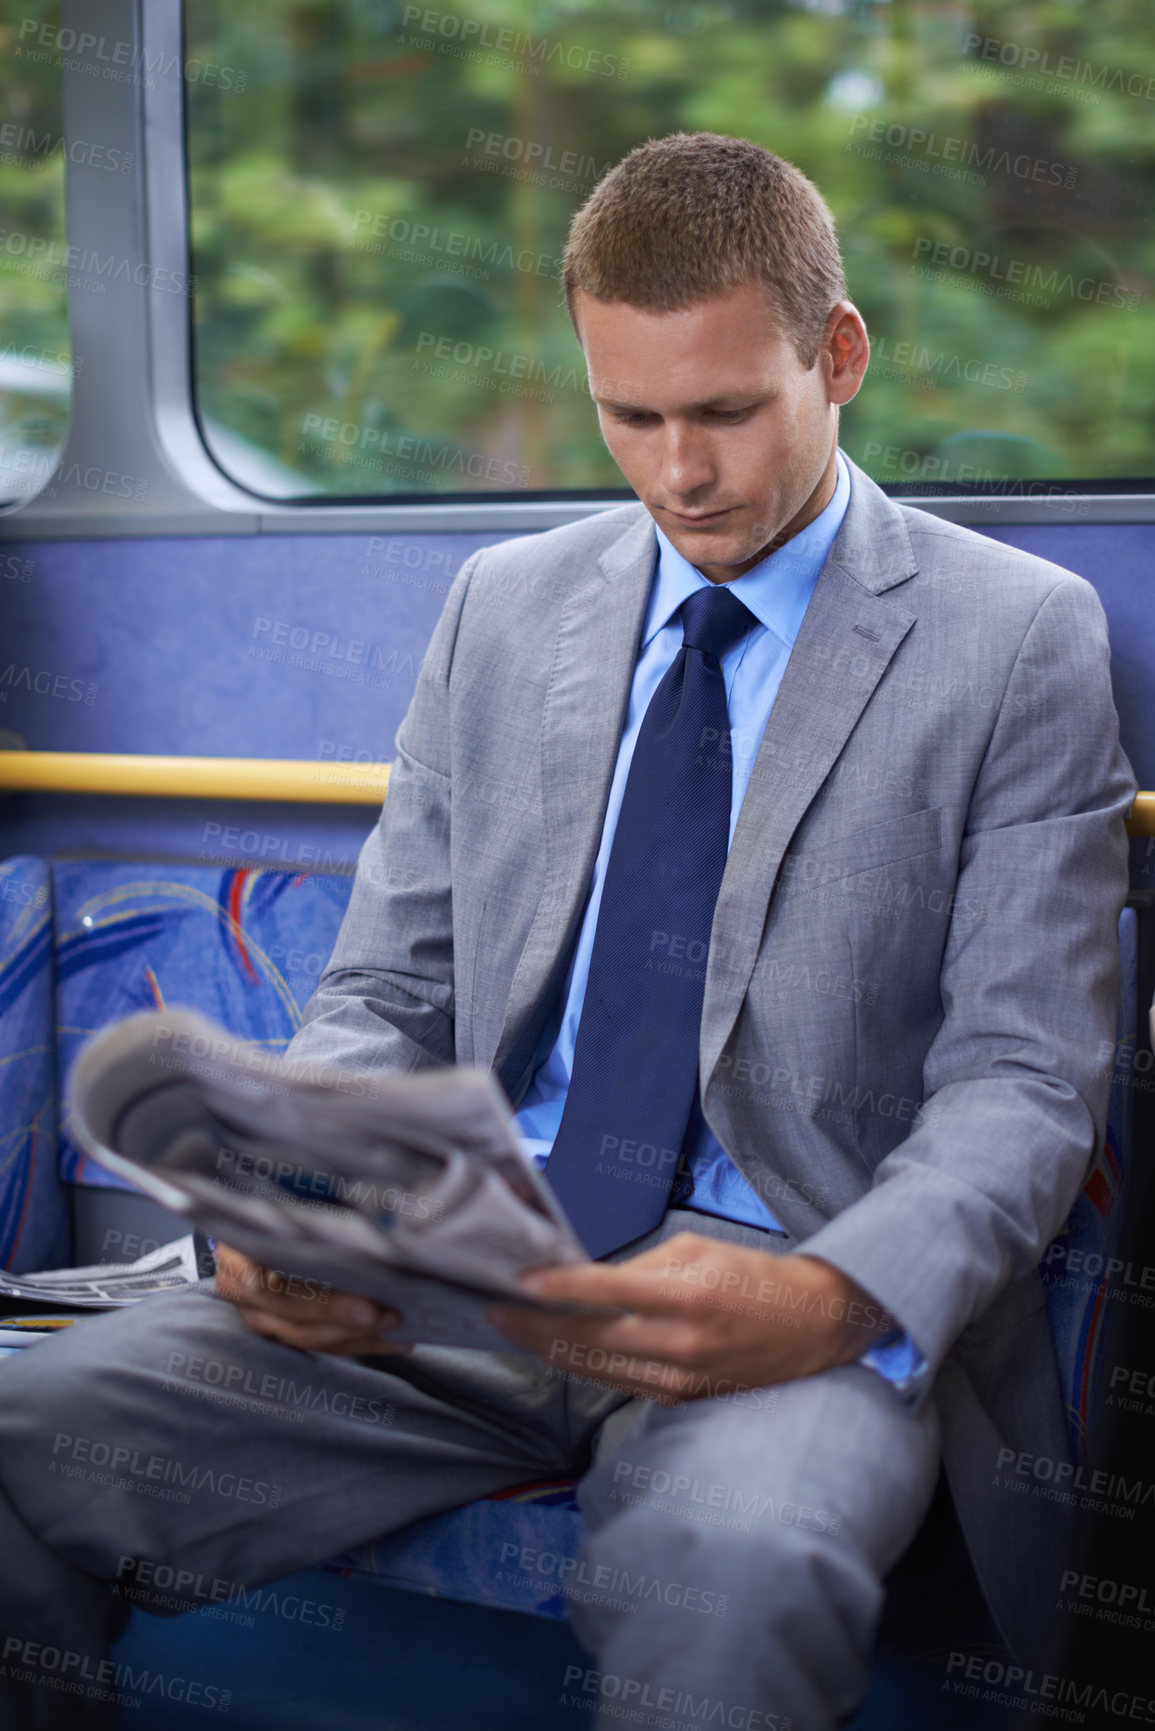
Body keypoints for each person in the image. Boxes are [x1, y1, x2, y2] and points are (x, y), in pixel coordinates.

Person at [0, 133, 1134, 1730]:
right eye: (633, 417)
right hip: (453, 1279)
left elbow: (1023, 1080)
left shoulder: (1012, 639)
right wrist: (300, 1188)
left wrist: (836, 1298)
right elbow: (390, 983)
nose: (681, 475)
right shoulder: (505, 607)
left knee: (737, 1582)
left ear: (840, 354)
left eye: (728, 412)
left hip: (791, 1295)